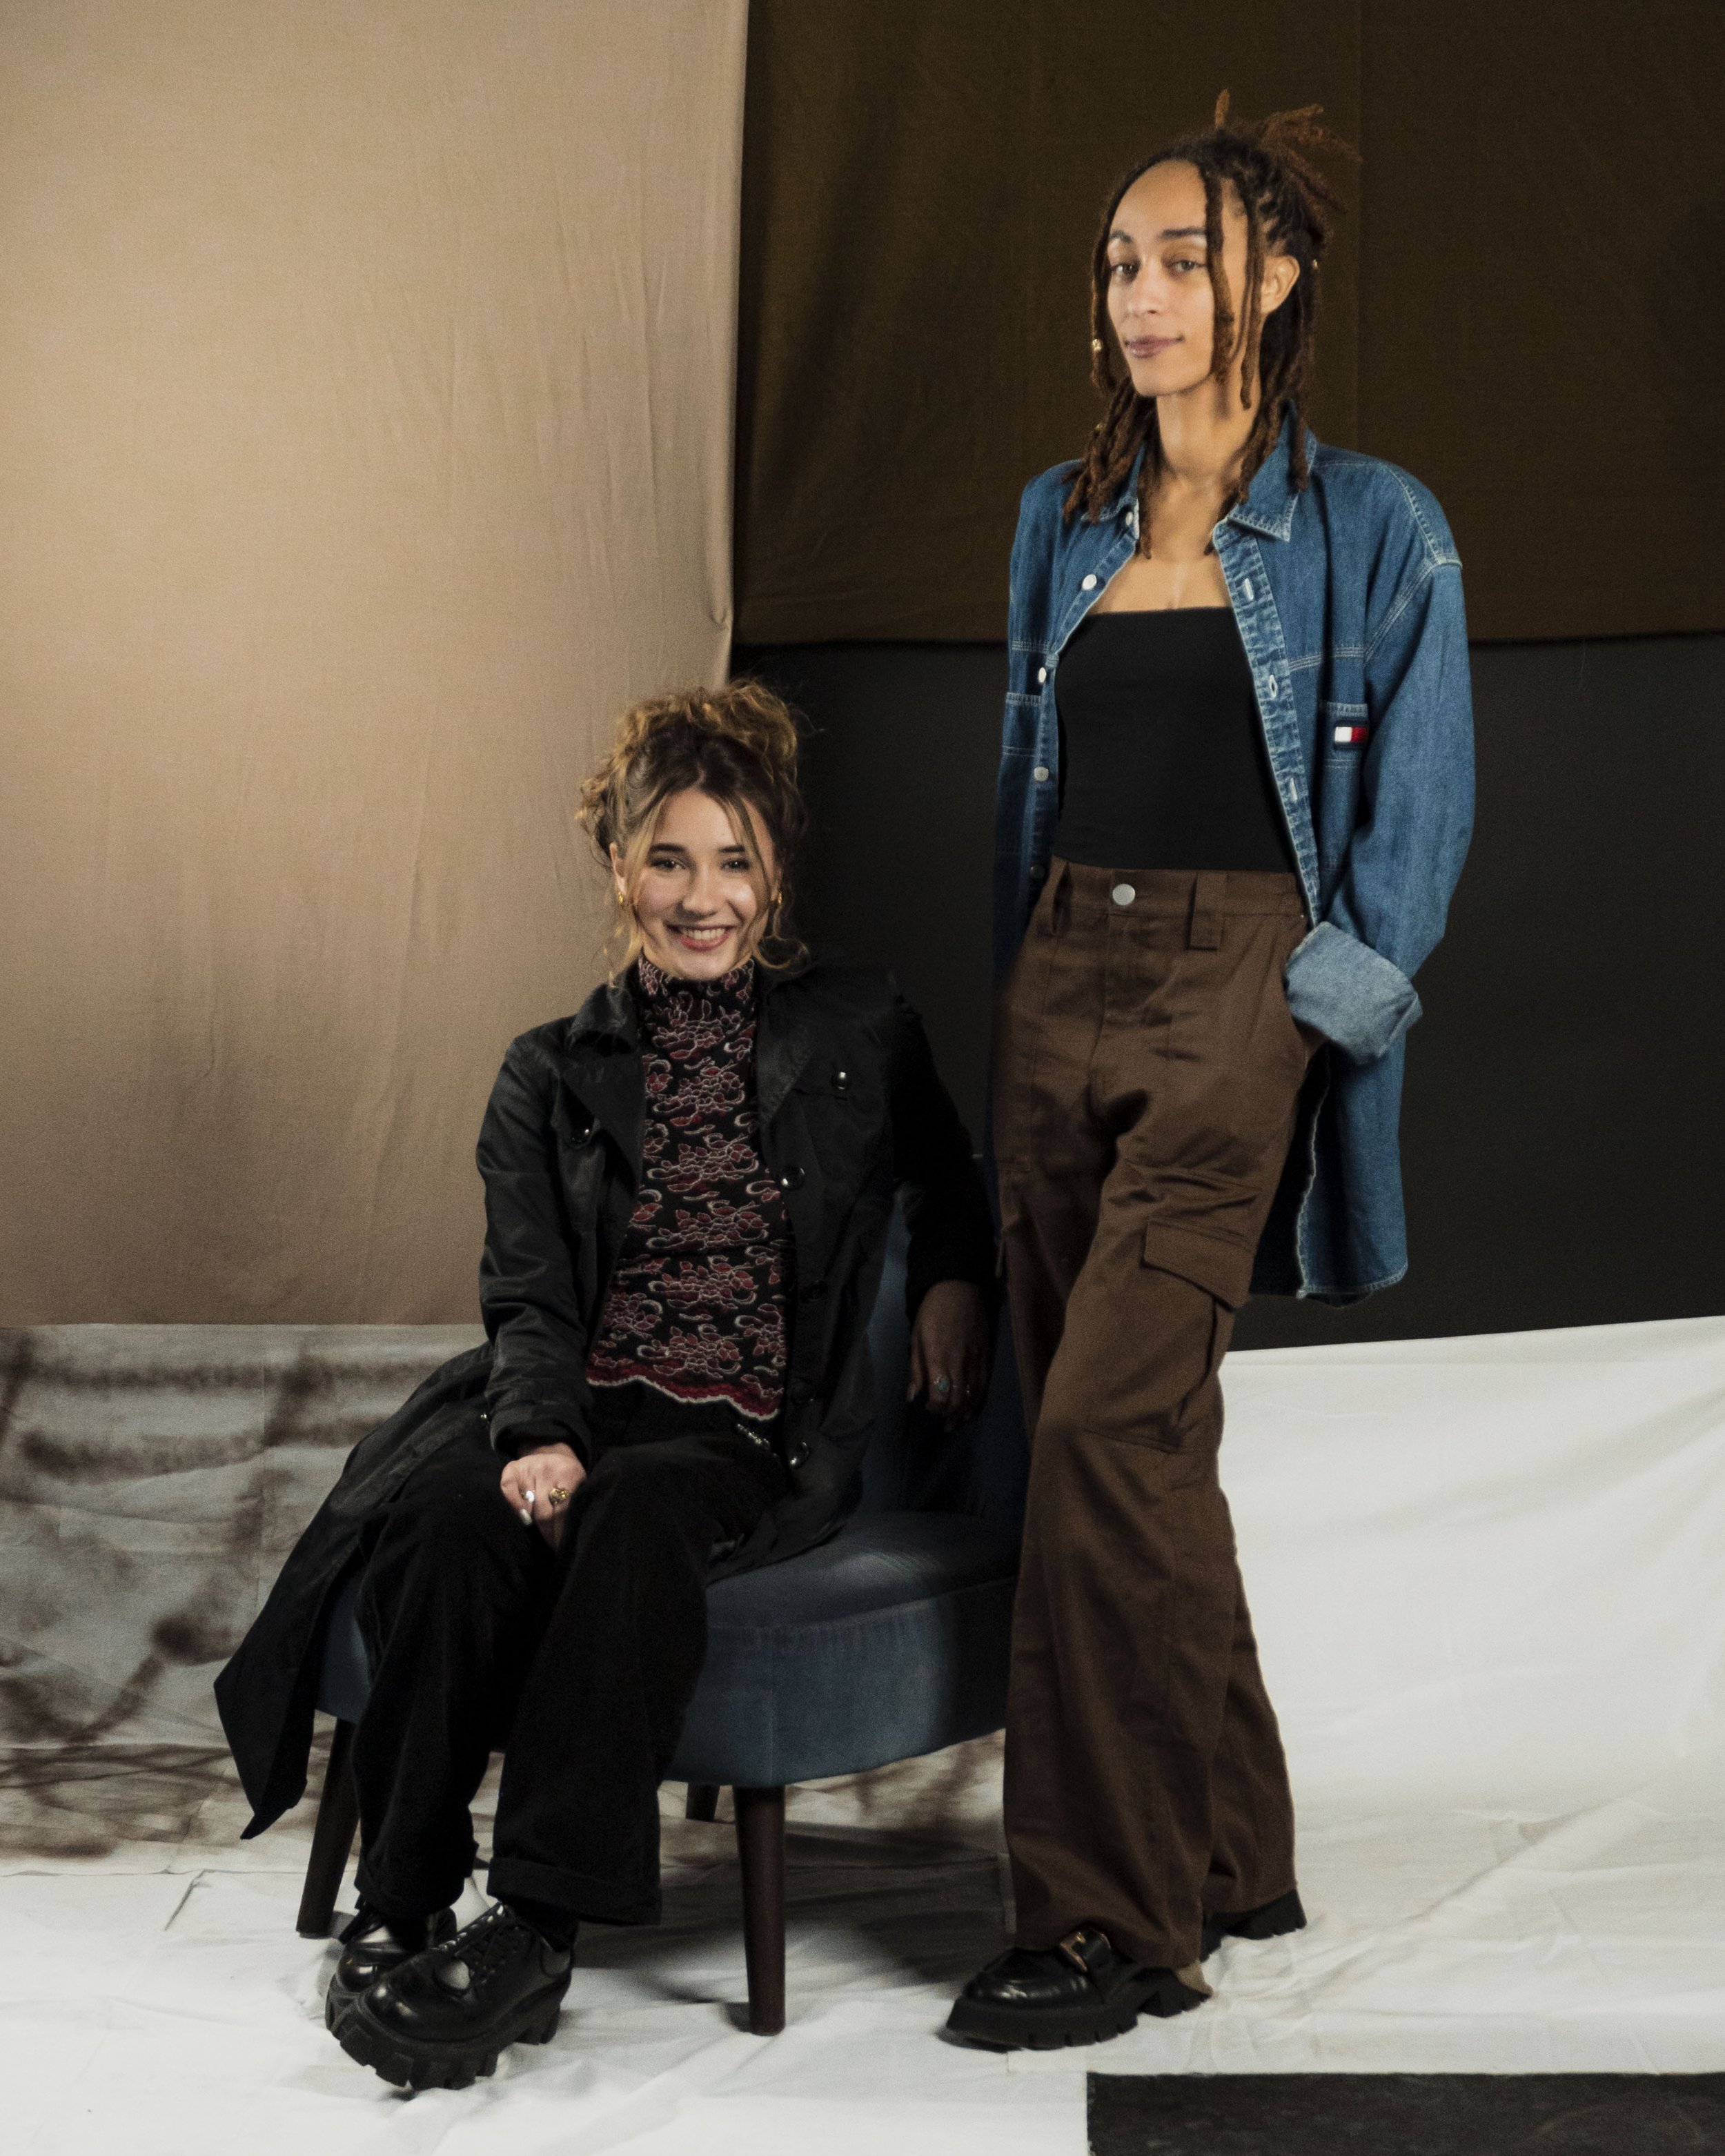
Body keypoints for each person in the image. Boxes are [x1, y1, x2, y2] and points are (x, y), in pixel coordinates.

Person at [216, 682, 994, 2090]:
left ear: (775, 872)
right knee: (442, 1519)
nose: (702, 897)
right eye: (668, 859)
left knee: (633, 1518)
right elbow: (527, 1291)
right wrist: (536, 1434)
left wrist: (950, 1279)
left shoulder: (861, 1025)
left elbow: (949, 1172)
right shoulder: (546, 1072)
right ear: (617, 865)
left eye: (734, 861)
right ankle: (402, 1902)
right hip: (574, 1404)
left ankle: (530, 1928)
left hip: (743, 1435)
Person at [946, 96, 1474, 2049]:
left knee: (1102, 1429)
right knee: (1122, 1444)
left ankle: (1109, 1922)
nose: (1142, 295)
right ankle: (1234, 1846)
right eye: (1119, 263)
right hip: (1058, 980)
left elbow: (1418, 814)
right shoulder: (1057, 518)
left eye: (1182, 257)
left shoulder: (1373, 525)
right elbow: (1028, 789)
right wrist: (1021, 992)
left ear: (1278, 273)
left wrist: (1304, 1012)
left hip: (1241, 987)